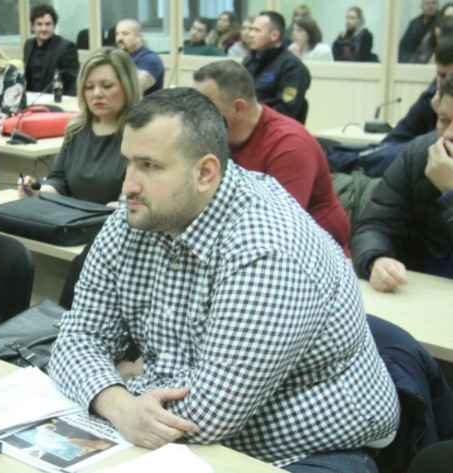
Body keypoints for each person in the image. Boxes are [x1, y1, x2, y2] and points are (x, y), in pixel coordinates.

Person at [49, 88, 399, 471]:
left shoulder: (267, 247)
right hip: (202, 438)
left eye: (148, 166)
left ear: (205, 173)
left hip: (311, 449)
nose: (128, 184)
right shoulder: (137, 215)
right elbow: (76, 339)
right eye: (128, 162)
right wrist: (117, 401)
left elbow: (208, 415)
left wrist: (127, 377)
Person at [194, 60, 350, 251]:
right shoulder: (214, 136)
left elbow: (277, 227)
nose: (196, 116)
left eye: (206, 108)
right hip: (244, 240)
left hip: (310, 250)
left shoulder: (290, 146)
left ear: (238, 108)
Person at [351, 72, 453, 292]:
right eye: (444, 120)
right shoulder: (419, 154)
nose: (448, 134)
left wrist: (451, 192)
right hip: (419, 292)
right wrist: (376, 259)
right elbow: (373, 225)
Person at [21, 47, 141, 205]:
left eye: (107, 86)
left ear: (127, 87)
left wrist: (125, 207)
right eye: (89, 87)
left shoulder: (140, 133)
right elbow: (59, 180)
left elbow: (142, 194)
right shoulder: (76, 129)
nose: (97, 93)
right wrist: (40, 191)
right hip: (73, 217)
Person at [244, 11, 311, 122]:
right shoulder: (249, 61)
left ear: (274, 35)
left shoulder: (292, 67)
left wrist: (250, 117)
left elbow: (286, 109)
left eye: (257, 30)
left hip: (274, 127)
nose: (250, 34)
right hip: (246, 125)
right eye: (251, 29)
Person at [385, 37, 453, 145]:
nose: (445, 83)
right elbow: (391, 142)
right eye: (441, 75)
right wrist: (441, 119)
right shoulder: (429, 99)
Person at [23, 4, 79, 96]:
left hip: (54, 99)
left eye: (48, 24)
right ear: (32, 27)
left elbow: (72, 84)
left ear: (54, 26)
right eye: (39, 24)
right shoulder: (28, 44)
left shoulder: (66, 47)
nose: (44, 29)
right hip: (30, 98)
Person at [116, 19, 164, 96]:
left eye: (125, 34)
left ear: (139, 36)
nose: (119, 38)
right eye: (117, 34)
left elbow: (134, 89)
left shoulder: (150, 59)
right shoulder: (119, 57)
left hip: (146, 103)